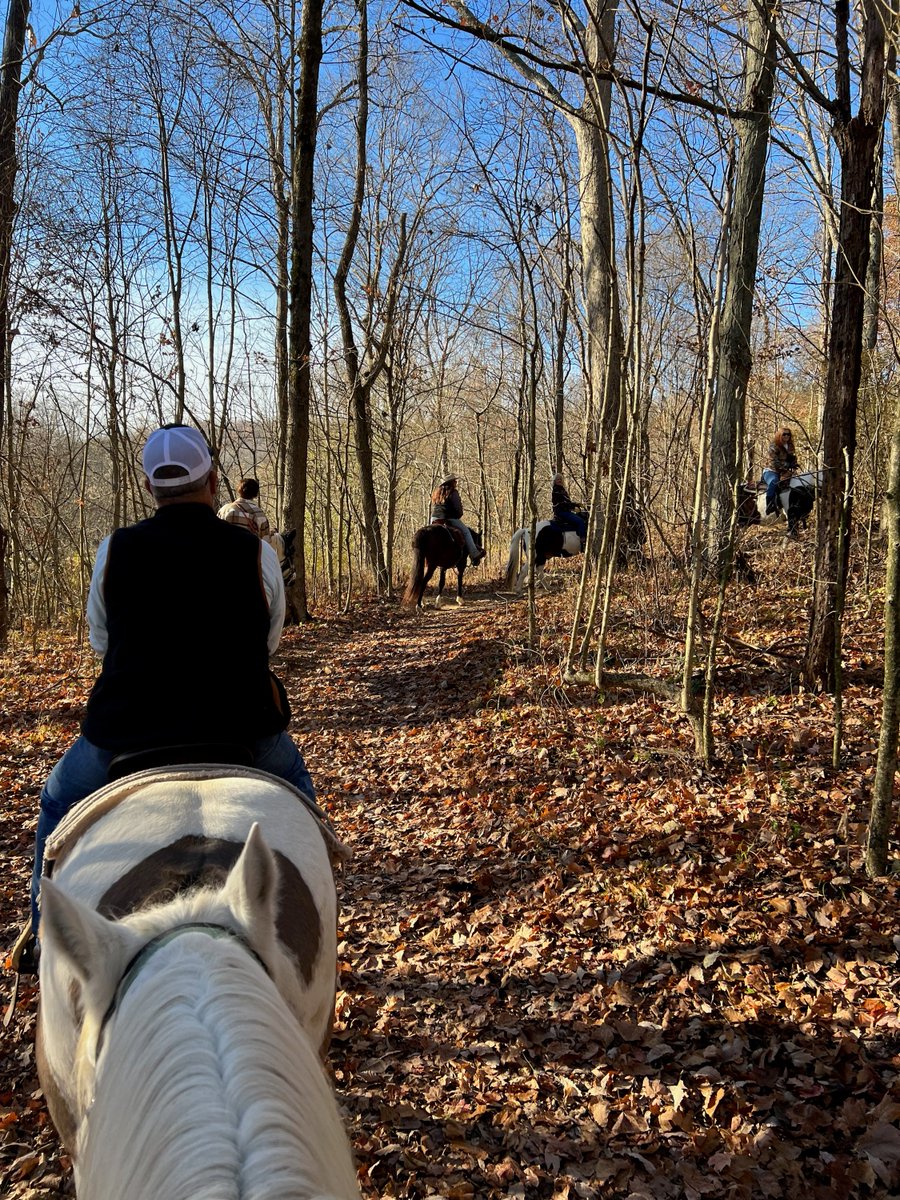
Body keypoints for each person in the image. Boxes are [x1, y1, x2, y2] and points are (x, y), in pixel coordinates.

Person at [26, 424, 314, 940]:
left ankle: (42, 933)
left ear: (149, 487)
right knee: (303, 803)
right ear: (213, 481)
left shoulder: (114, 549)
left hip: (125, 730)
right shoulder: (256, 553)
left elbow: (101, 641)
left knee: (56, 801)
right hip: (242, 726)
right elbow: (268, 642)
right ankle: (325, 905)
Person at [430, 475, 485, 563]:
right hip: (448, 518)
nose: (456, 482)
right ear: (451, 483)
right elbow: (458, 508)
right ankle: (474, 553)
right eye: (454, 481)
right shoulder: (453, 492)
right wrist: (458, 515)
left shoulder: (438, 493)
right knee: (466, 532)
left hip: (434, 519)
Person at [218, 476, 272, 543]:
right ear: (256, 494)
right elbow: (265, 541)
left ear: (239, 491)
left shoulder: (224, 510)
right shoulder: (259, 513)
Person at [763, 427, 799, 514]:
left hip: (785, 472)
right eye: (784, 434)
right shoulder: (774, 446)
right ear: (780, 435)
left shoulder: (790, 446)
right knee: (774, 481)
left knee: (798, 483)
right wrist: (787, 465)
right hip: (772, 471)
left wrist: (794, 464)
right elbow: (773, 462)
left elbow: (792, 458)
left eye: (788, 434)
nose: (786, 436)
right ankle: (769, 504)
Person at [551, 472, 587, 542]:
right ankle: (583, 539)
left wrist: (577, 504)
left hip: (565, 511)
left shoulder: (562, 490)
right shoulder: (556, 491)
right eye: (558, 479)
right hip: (562, 512)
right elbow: (562, 504)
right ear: (554, 481)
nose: (560, 480)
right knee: (580, 521)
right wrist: (573, 507)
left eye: (560, 479)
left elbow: (567, 502)